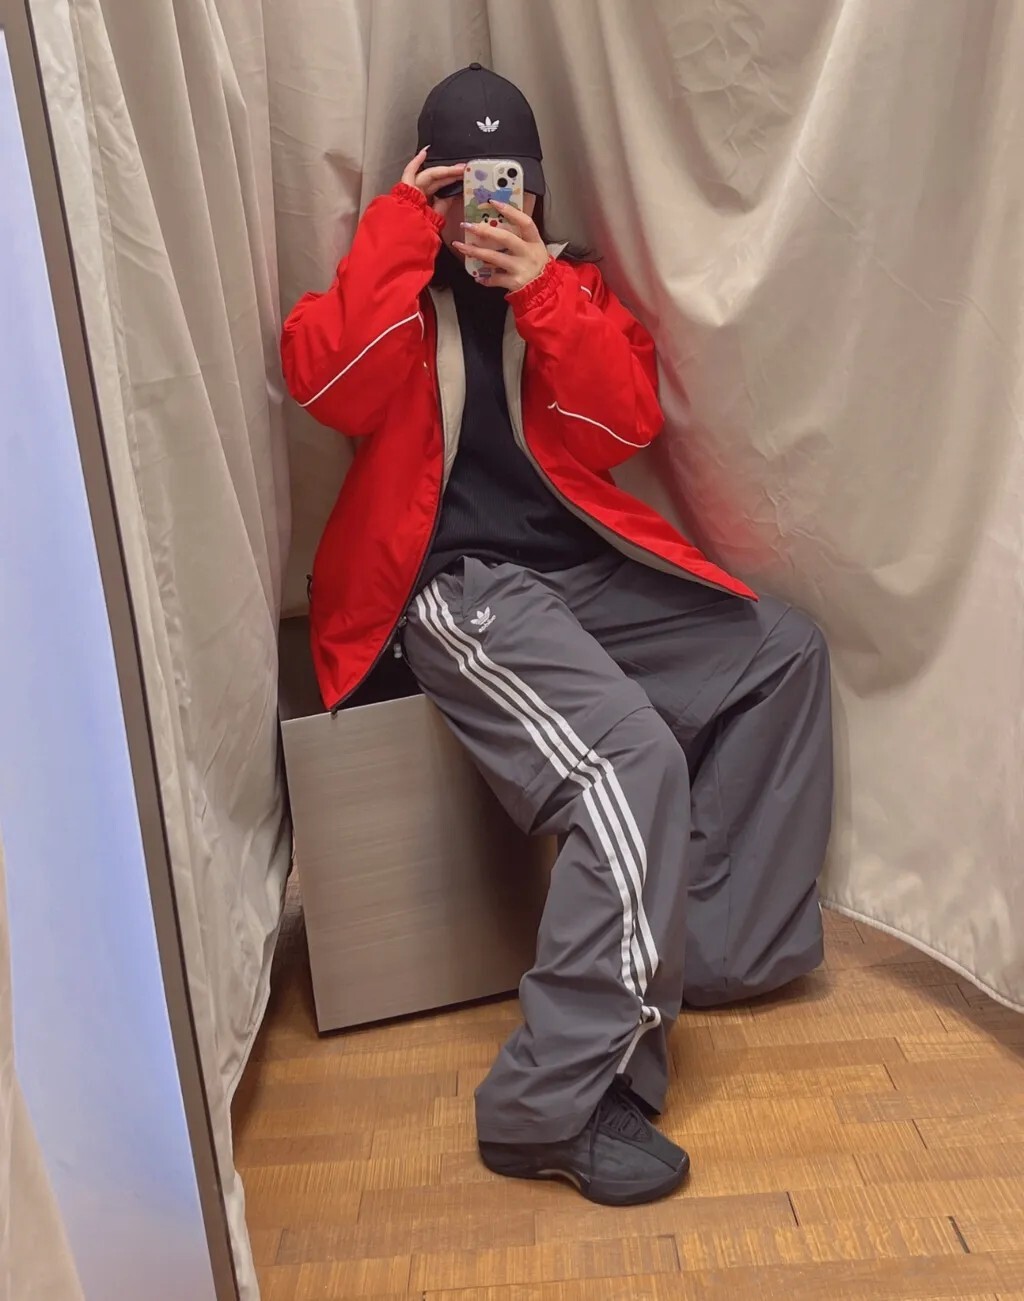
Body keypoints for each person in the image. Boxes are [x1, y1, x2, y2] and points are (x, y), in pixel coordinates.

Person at [281, 64, 833, 1207]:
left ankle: (711, 950)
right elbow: (329, 386)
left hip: (584, 569)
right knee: (627, 759)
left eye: (507, 182)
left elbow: (618, 426)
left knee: (779, 649)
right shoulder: (391, 284)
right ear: (428, 185)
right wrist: (400, 233)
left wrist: (541, 293)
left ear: (533, 186)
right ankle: (549, 1101)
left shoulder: (567, 286)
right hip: (456, 584)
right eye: (460, 184)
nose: (487, 205)